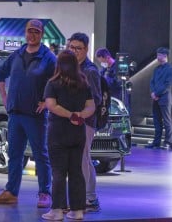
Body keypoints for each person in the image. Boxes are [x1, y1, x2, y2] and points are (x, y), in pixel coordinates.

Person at [0, 19, 57, 208]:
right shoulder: (17, 55)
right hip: (15, 113)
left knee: (40, 155)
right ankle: (11, 192)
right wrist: (4, 95)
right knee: (14, 154)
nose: (32, 35)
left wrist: (47, 101)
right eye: (29, 31)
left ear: (42, 34)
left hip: (35, 116)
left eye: (36, 31)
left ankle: (45, 193)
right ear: (25, 33)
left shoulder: (49, 58)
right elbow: (0, 73)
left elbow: (58, 81)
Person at [43, 51, 95, 222]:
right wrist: (79, 115)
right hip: (77, 133)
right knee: (76, 172)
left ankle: (57, 210)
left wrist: (69, 115)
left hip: (58, 132)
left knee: (58, 172)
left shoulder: (53, 83)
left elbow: (51, 105)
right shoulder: (83, 84)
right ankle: (77, 210)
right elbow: (91, 107)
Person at [66, 33, 102, 213]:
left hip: (85, 121)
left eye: (78, 48)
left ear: (86, 49)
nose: (74, 51)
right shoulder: (71, 68)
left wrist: (81, 113)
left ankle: (89, 198)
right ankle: (84, 197)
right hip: (72, 120)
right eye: (71, 47)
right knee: (79, 160)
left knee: (83, 159)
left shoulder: (90, 70)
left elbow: (96, 99)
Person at [148, 46, 172, 150]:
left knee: (167, 121)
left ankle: (168, 142)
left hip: (164, 99)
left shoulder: (171, 69)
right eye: (157, 55)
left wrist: (157, 94)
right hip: (155, 99)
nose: (157, 57)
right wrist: (152, 93)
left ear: (165, 56)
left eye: (159, 55)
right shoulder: (156, 69)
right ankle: (156, 142)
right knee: (157, 121)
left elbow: (167, 85)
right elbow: (152, 82)